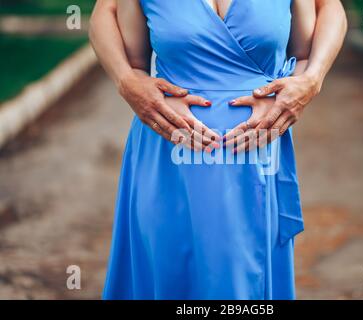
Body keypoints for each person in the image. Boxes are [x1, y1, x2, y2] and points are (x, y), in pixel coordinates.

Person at [89, 0, 347, 300]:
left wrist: (311, 81)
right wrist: (126, 80)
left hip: (254, 162)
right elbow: (109, 22)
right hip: (168, 159)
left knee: (243, 281)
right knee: (168, 272)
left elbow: (327, 11)